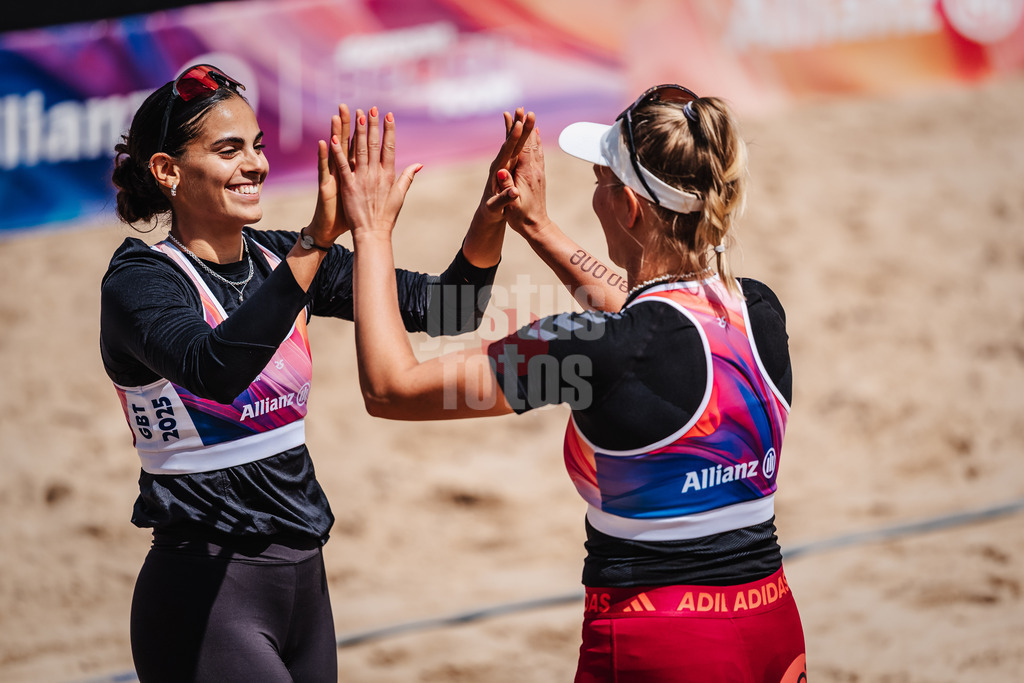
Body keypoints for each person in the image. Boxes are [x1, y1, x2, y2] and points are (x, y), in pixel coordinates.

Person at [336, 85, 807, 681]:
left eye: (599, 182)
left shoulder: (586, 345)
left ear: (629, 208)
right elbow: (653, 321)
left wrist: (372, 232)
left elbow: (391, 389)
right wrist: (537, 226)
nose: (596, 197)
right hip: (770, 621)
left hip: (659, 639)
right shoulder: (758, 308)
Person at [100, 63, 533, 681]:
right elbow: (216, 368)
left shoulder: (282, 256)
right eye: (229, 151)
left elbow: (450, 308)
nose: (255, 165)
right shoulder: (140, 282)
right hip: (204, 594)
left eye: (257, 147)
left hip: (304, 580)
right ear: (168, 171)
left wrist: (492, 212)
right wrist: (317, 241)